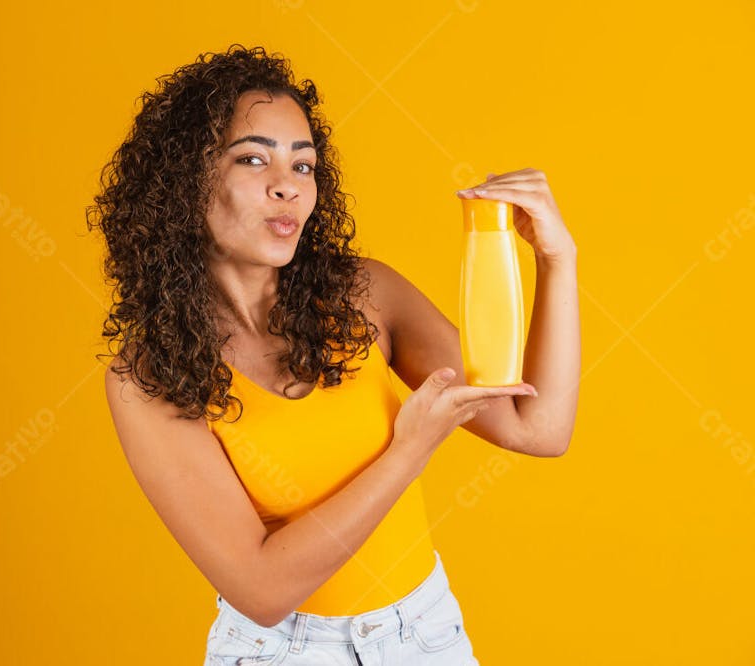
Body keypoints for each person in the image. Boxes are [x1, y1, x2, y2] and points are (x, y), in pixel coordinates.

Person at [88, 44, 580, 666]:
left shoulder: (365, 295)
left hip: (425, 636)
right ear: (184, 181)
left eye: (303, 166)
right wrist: (411, 449)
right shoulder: (151, 377)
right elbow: (261, 590)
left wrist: (557, 262)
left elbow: (539, 428)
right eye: (252, 159)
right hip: (281, 651)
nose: (286, 188)